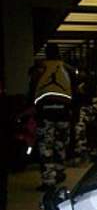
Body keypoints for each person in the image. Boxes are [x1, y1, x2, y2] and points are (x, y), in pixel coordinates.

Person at [33, 43, 74, 191]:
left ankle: (49, 179)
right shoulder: (67, 69)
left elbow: (32, 89)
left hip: (44, 111)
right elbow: (75, 90)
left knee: (46, 145)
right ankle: (60, 172)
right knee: (60, 143)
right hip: (64, 111)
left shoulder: (39, 69)